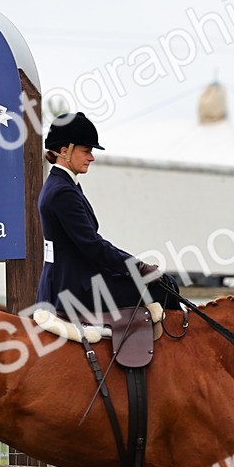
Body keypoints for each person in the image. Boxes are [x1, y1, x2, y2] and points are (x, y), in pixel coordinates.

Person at [35, 112, 179, 321]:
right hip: (75, 289)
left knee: (161, 283)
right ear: (65, 151)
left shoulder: (63, 184)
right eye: (86, 151)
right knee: (166, 288)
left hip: (73, 279)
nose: (91, 157)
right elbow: (92, 245)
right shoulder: (62, 191)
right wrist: (137, 267)